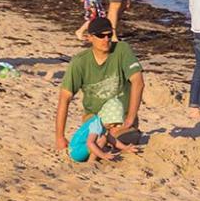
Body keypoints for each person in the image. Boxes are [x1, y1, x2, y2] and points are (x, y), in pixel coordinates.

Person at [55, 17, 145, 152]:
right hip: (95, 118)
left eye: (109, 34)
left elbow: (138, 82)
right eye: (100, 36)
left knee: (118, 138)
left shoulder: (122, 49)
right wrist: (60, 137)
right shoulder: (80, 62)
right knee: (94, 141)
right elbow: (65, 97)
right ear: (90, 38)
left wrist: (130, 119)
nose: (106, 39)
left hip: (122, 120)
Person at [68, 97, 136, 162]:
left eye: (115, 124)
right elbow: (90, 142)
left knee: (104, 138)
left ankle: (93, 156)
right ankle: (91, 161)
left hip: (74, 150)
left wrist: (125, 147)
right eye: (111, 123)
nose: (112, 126)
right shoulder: (96, 125)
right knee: (103, 139)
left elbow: (111, 138)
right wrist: (103, 155)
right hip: (76, 152)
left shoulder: (99, 121)